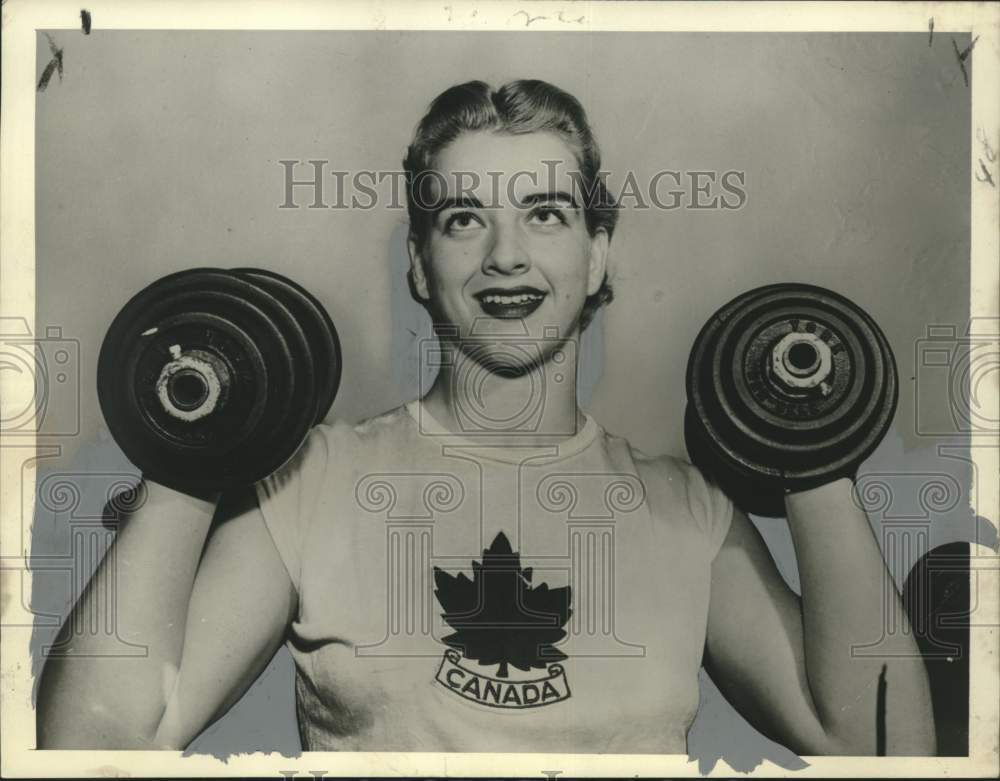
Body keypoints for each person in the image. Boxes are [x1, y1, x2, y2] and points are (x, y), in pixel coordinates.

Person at [36, 79, 936, 755]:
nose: (507, 256)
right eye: (465, 220)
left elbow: (881, 750)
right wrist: (191, 453)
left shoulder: (688, 512)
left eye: (545, 214)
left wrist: (814, 458)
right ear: (422, 266)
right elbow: (95, 747)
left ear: (598, 255)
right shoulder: (312, 484)